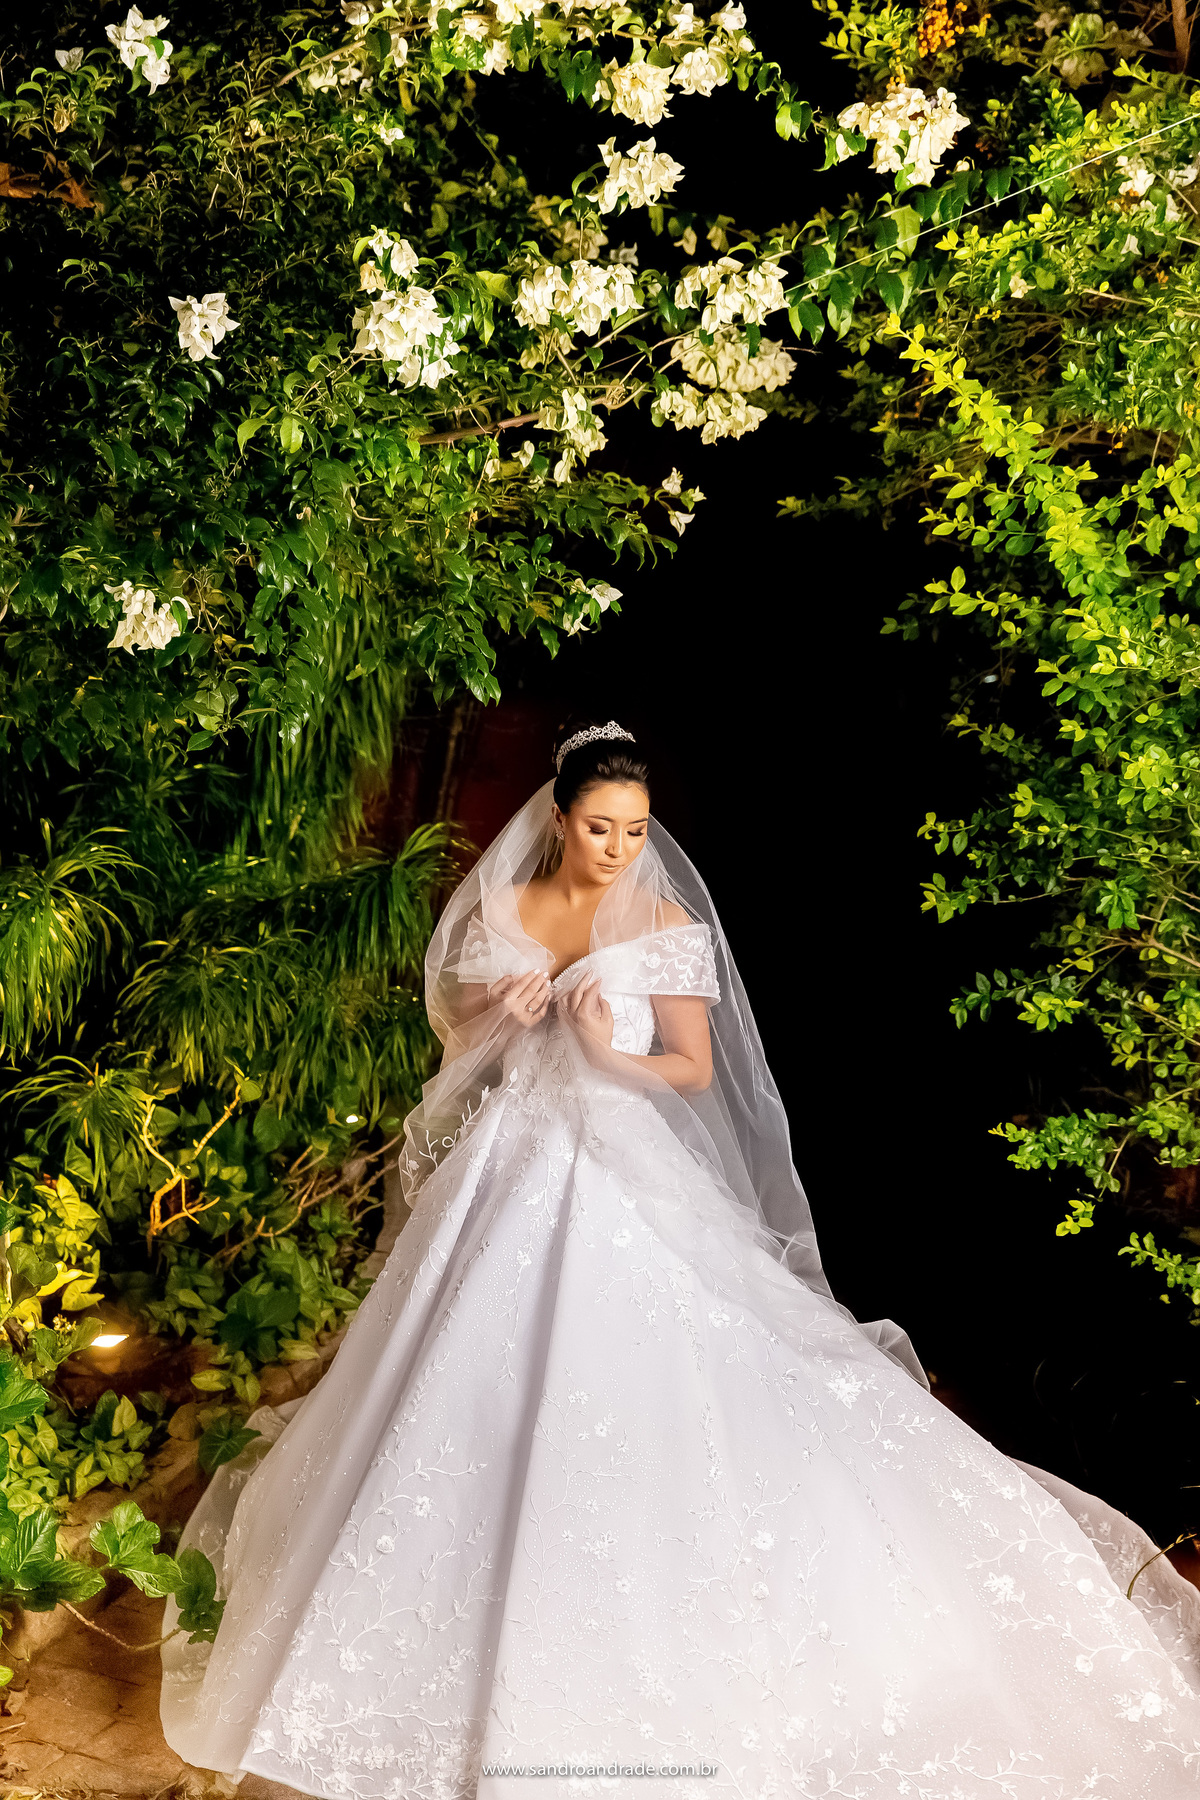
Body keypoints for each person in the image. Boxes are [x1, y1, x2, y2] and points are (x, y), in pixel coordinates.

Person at [162, 719, 1200, 1798]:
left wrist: (609, 1048)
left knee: (655, 1374)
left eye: (635, 829)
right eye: (600, 827)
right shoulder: (505, 909)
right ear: (559, 819)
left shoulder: (658, 918)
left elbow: (696, 1069)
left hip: (621, 1166)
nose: (617, 846)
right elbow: (459, 1039)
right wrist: (499, 1012)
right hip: (512, 1160)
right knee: (460, 1371)